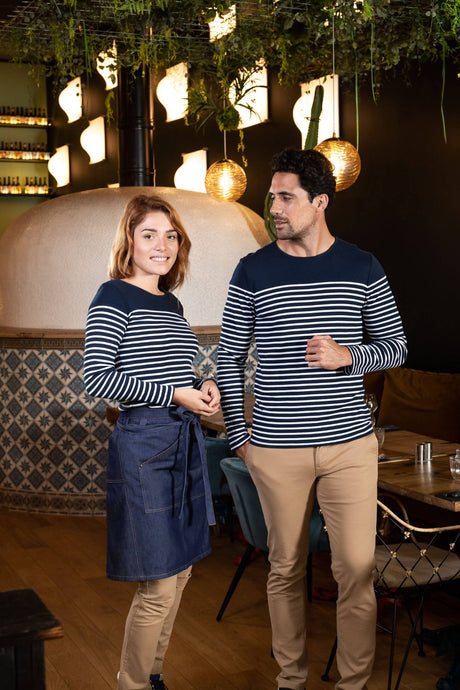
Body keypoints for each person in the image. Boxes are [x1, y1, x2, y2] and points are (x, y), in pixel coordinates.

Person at [217, 148, 407, 690]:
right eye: (271, 196)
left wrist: (348, 354)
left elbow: (396, 346)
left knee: (355, 570)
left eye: (286, 198)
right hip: (276, 448)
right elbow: (231, 357)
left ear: (319, 202)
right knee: (285, 568)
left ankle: (352, 684)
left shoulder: (361, 264)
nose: (274, 207)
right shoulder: (252, 269)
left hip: (350, 446)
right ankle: (291, 679)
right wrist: (240, 439)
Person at [84, 194, 219, 690]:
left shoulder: (171, 301)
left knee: (179, 574)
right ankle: (134, 684)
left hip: (181, 445)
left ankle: (152, 676)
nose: (161, 245)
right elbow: (97, 381)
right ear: (130, 241)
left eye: (170, 235)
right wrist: (176, 394)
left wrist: (201, 384)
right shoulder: (112, 295)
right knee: (159, 582)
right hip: (143, 449)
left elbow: (169, 370)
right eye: (149, 235)